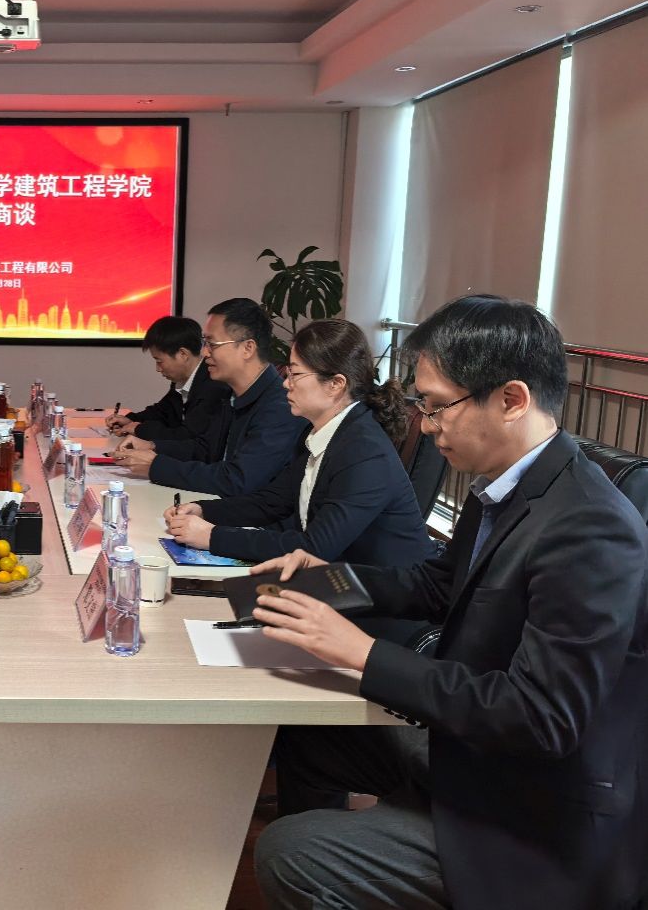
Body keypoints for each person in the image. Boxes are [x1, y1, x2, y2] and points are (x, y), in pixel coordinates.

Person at [249, 296, 648, 910]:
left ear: (511, 399)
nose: (427, 424)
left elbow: (541, 717)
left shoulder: (591, 527)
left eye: (437, 406)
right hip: (476, 756)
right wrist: (326, 579)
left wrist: (363, 654)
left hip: (537, 814)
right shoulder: (510, 487)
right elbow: (436, 586)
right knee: (307, 737)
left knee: (290, 851)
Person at [163, 318, 434, 565]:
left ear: (335, 384)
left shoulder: (365, 451)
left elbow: (315, 547)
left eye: (295, 374)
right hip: (340, 583)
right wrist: (203, 510)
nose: (285, 383)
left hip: (384, 597)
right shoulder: (322, 433)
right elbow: (272, 501)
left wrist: (212, 536)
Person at [113, 298, 307, 498]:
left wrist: (156, 466)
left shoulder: (280, 407)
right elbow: (205, 451)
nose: (204, 353)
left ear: (247, 348)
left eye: (212, 344)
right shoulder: (230, 394)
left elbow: (237, 480)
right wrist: (153, 446)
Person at [104, 315, 229, 441]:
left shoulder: (213, 386)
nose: (158, 369)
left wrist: (139, 429)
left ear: (183, 354)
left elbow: (188, 437)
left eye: (159, 361)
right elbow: (163, 411)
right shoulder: (182, 379)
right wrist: (131, 419)